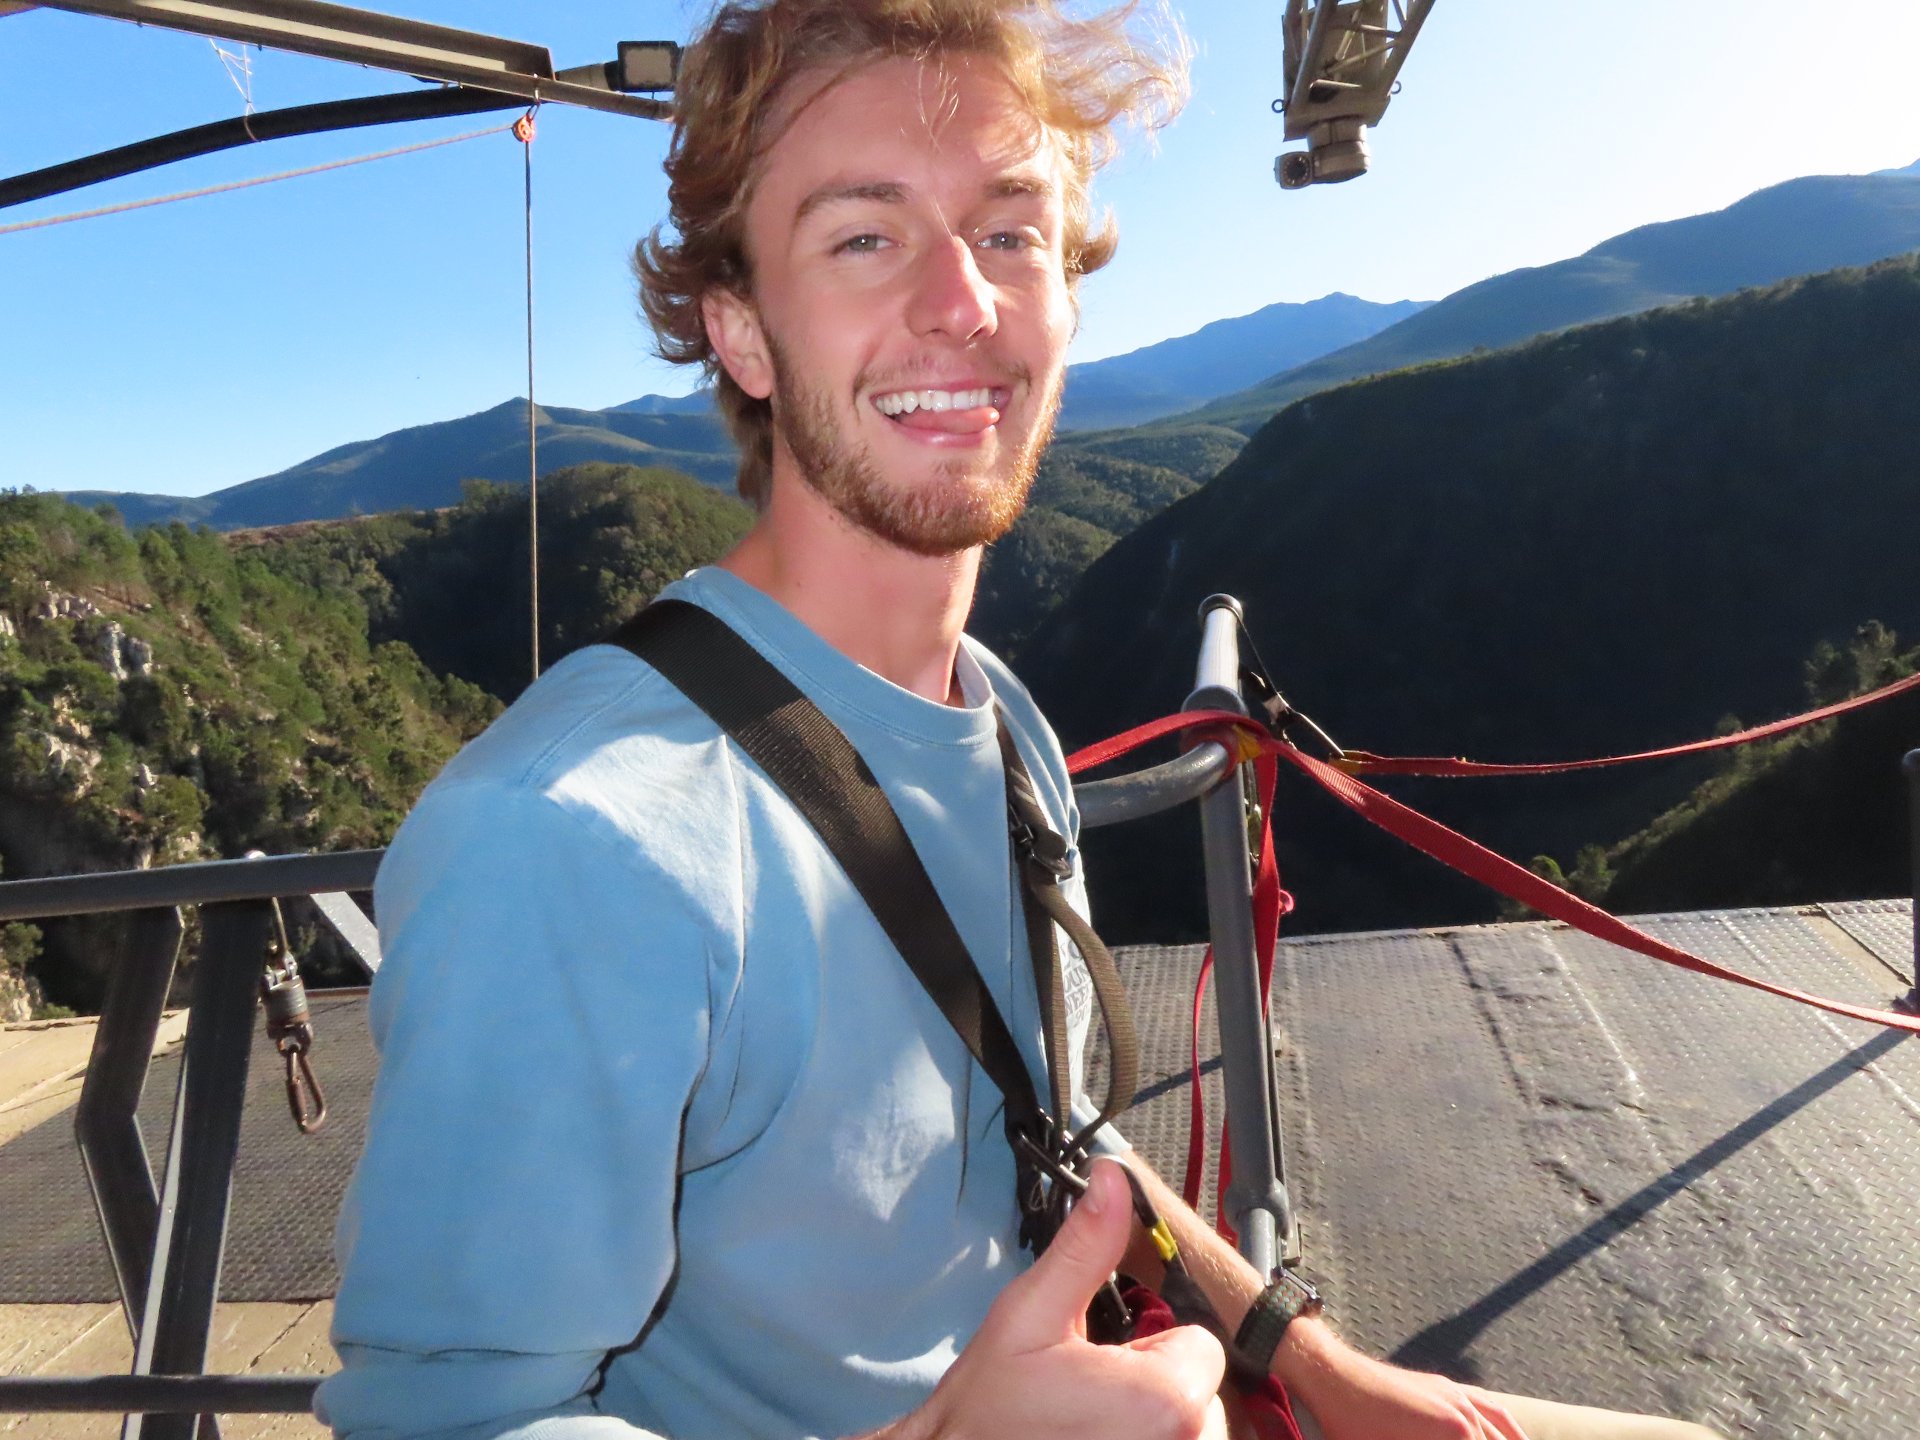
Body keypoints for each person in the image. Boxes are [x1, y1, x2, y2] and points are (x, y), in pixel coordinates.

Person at [319, 3, 1727, 1438]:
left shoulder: (999, 722)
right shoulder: (572, 838)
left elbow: (1058, 1138)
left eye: (1010, 233)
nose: (965, 303)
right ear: (741, 332)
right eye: (865, 237)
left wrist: (1332, 1377)